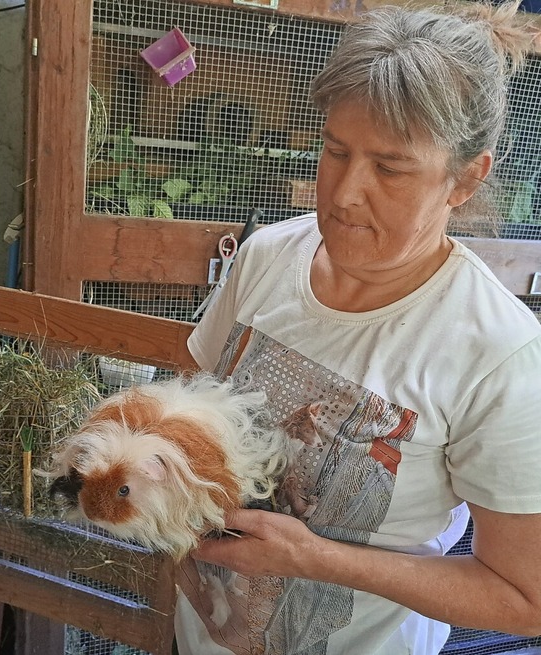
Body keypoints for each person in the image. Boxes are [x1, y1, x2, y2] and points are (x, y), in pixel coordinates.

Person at [173, 2, 541, 654]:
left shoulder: (496, 351)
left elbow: (523, 599)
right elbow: (189, 401)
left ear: (465, 178)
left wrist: (316, 558)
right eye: (335, 150)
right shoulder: (266, 257)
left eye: (390, 168)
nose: (343, 193)